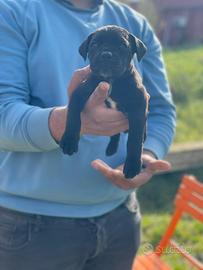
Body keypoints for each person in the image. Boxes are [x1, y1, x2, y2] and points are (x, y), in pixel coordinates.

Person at [0, 0, 176, 269]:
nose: (107, 54)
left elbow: (161, 109)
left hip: (120, 217)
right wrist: (67, 123)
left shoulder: (134, 22)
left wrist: (146, 154)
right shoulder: (12, 11)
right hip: (31, 225)